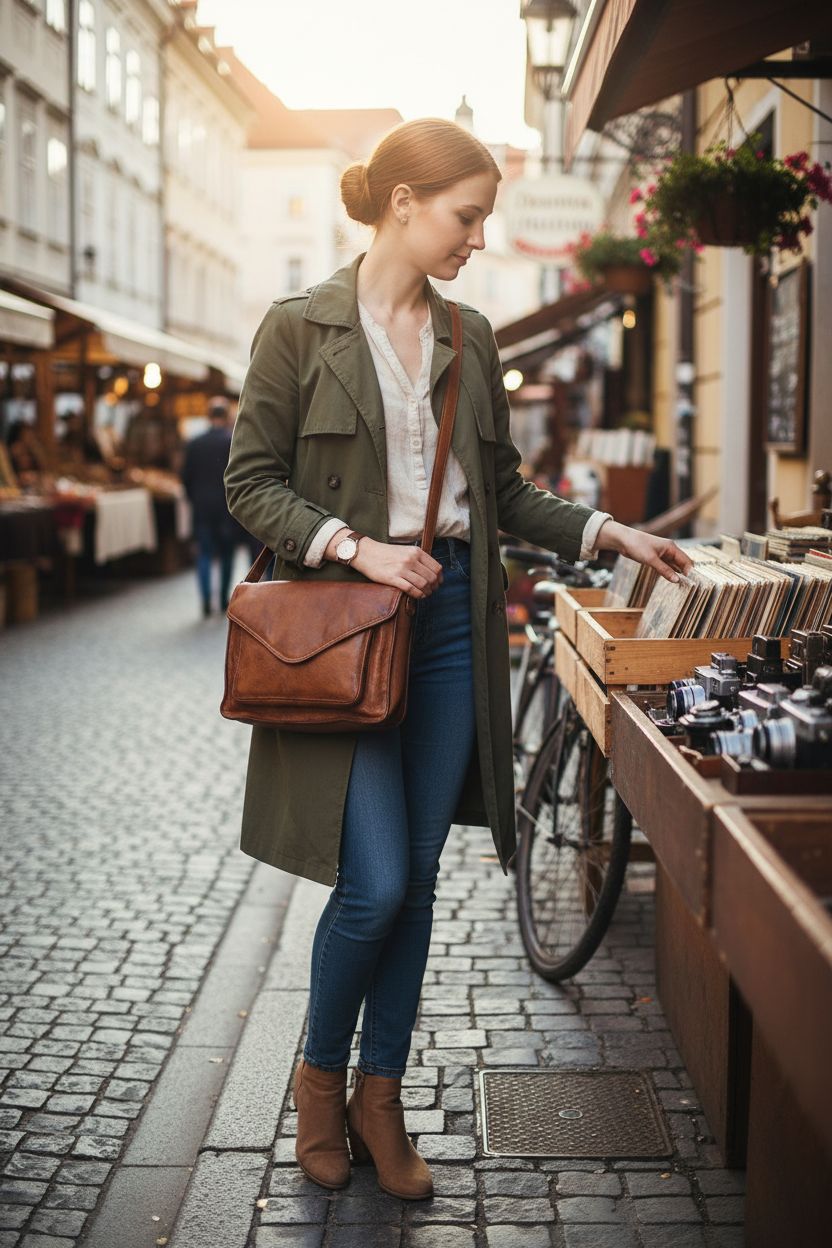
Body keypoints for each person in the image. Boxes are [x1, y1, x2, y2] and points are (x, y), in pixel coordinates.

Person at [223, 118, 693, 1201]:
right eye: (465, 215)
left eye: (482, 219)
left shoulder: (469, 337)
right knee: (375, 881)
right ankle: (315, 1079)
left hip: (447, 630)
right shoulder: (299, 329)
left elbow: (502, 491)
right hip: (345, 628)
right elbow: (251, 484)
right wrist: (356, 548)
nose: (477, 237)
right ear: (402, 202)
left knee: (422, 878)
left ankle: (379, 1096)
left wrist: (604, 534)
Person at [182, 398, 237, 617]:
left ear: (208, 416)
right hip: (227, 508)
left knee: (204, 553)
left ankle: (205, 600)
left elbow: (186, 477)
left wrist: (194, 498)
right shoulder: (231, 441)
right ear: (225, 417)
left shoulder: (194, 443)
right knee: (227, 554)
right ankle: (223, 599)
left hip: (202, 507)